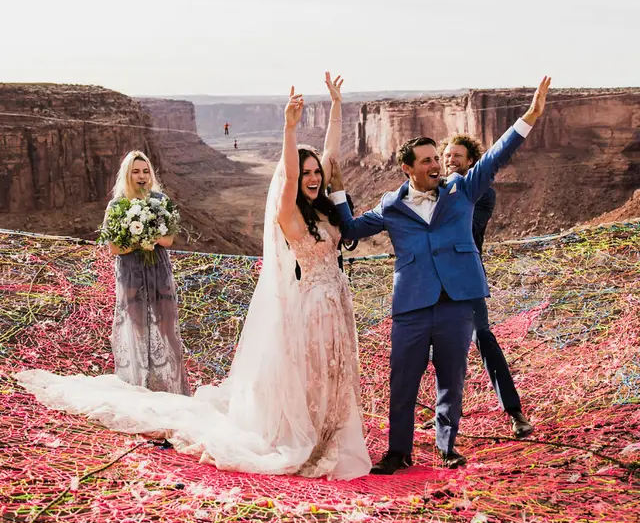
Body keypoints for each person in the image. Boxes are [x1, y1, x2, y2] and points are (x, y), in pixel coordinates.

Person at [15, 74, 370, 480]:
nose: (312, 177)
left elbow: (331, 158)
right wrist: (289, 128)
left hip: (336, 305)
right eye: (306, 172)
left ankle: (329, 434)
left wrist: (337, 106)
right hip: (311, 308)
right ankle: (308, 438)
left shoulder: (322, 207)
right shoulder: (289, 216)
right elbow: (289, 178)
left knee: (334, 374)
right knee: (313, 374)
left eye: (315, 173)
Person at [330, 77, 551, 473]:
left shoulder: (463, 190)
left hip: (457, 300)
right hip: (412, 302)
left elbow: (496, 156)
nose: (438, 165)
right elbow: (351, 230)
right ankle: (398, 452)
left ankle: (447, 446)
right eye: (428, 160)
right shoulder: (391, 206)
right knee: (403, 380)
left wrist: (529, 118)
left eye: (438, 158)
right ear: (407, 168)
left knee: (452, 377)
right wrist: (335, 191)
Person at [440, 135, 533, 438]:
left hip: (466, 279)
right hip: (435, 280)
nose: (450, 160)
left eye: (457, 156)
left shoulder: (483, 195)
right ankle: (445, 412)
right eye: (447, 155)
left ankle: (515, 412)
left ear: (470, 162)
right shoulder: (431, 194)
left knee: (483, 337)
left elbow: (469, 229)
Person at [106, 151, 189, 395]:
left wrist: (150, 238)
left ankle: (174, 385)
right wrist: (138, 241)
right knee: (137, 329)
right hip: (131, 272)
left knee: (166, 327)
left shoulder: (161, 200)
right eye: (136, 171)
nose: (141, 176)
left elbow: (169, 239)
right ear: (127, 175)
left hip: (158, 270)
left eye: (145, 171)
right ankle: (139, 386)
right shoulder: (117, 205)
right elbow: (113, 247)